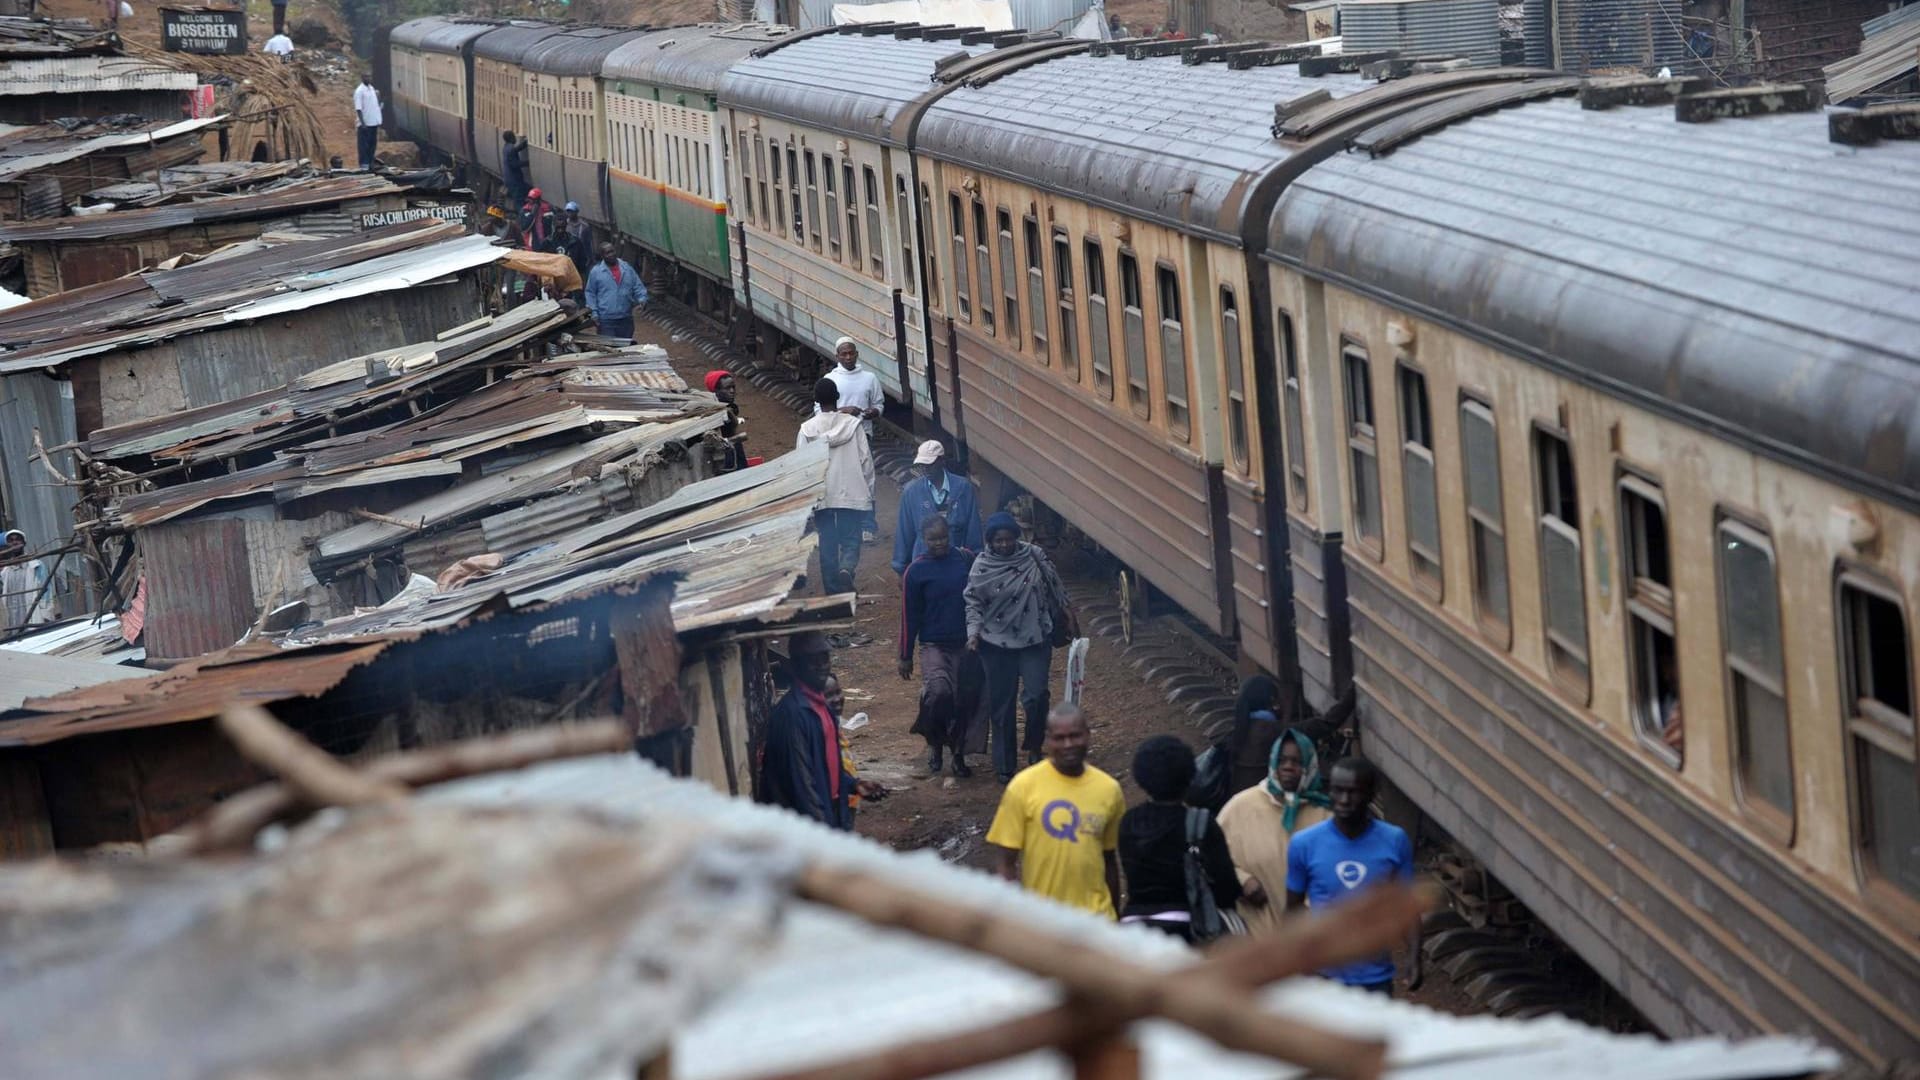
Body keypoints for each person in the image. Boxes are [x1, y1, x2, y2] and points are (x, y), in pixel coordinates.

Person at [1285, 756, 1421, 994]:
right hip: (1324, 979)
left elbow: (1406, 907)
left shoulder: (1394, 841)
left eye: (1353, 792)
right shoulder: (1304, 844)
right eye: (1337, 791)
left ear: (1371, 794)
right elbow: (1293, 910)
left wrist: (1414, 957)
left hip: (1376, 981)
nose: (1344, 800)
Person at [986, 703, 1125, 917]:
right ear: (1048, 740)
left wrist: (1115, 922)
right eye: (1059, 738)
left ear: (1088, 735)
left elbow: (1109, 860)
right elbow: (1006, 862)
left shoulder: (1109, 790)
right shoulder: (1023, 787)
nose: (1068, 744)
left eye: (1075, 736)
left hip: (1096, 922)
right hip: (1044, 923)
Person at [966, 511, 1075, 783]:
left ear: (1016, 537)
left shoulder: (1034, 556)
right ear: (990, 541)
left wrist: (1069, 617)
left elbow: (1056, 589)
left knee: (1037, 696)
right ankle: (1004, 765)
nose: (1003, 545)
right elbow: (973, 604)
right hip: (995, 644)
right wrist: (973, 634)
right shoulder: (982, 566)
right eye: (998, 541)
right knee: (1002, 705)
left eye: (1008, 539)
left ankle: (1035, 745)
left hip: (1035, 638)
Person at [1117, 735, 1242, 941]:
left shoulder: (1128, 823)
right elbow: (1227, 886)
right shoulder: (1201, 822)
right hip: (1185, 933)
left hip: (1133, 933)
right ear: (1188, 776)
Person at [1217, 728, 1332, 937]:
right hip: (1256, 936)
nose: (1288, 767)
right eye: (1282, 760)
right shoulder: (1239, 808)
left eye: (1297, 762)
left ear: (1310, 766)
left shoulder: (1324, 815)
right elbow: (1212, 858)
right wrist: (1243, 881)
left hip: (1313, 940)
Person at [899, 515, 985, 777]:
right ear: (922, 540)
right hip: (933, 644)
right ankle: (935, 742)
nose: (939, 543)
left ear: (950, 535)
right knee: (939, 693)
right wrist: (905, 655)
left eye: (943, 537)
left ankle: (958, 754)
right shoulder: (915, 571)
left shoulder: (965, 559)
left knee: (964, 701)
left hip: (966, 644)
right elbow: (909, 616)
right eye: (933, 539)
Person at [760, 631, 856, 829]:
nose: (821, 666)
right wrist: (825, 833)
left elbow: (826, 766)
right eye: (813, 661)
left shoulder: (823, 708)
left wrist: (853, 785)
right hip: (804, 828)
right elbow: (802, 784)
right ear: (796, 667)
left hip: (827, 815)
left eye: (824, 659)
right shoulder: (792, 715)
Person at [795, 377, 873, 595]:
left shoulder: (807, 430)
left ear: (816, 401)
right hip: (851, 491)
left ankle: (832, 591)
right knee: (851, 538)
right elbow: (866, 460)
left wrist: (807, 498)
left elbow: (802, 467)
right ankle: (846, 568)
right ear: (837, 398)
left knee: (827, 541)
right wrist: (868, 490)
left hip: (823, 495)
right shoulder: (853, 425)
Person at [818, 337, 883, 542]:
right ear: (837, 356)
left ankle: (868, 526)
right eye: (843, 354)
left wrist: (874, 412)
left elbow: (879, 404)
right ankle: (845, 525)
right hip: (838, 438)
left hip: (862, 434)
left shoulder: (870, 378)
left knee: (866, 478)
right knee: (842, 480)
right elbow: (818, 410)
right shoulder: (830, 379)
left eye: (851, 353)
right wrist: (844, 411)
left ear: (857, 354)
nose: (848, 357)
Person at [891, 439, 982, 575]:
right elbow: (905, 532)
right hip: (923, 563)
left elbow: (973, 528)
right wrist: (901, 568)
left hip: (956, 563)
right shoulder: (911, 492)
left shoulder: (963, 488)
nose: (926, 470)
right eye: (923, 465)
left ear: (942, 461)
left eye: (930, 465)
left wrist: (975, 559)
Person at [823, 672, 886, 815]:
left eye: (838, 692)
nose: (837, 699)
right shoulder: (819, 736)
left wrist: (856, 784)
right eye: (828, 695)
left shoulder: (834, 730)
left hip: (846, 804)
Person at [585, 243, 647, 339]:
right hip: (606, 319)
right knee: (609, 347)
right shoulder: (596, 272)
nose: (611, 255)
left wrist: (642, 299)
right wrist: (594, 311)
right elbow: (590, 293)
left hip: (625, 317)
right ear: (602, 256)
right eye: (607, 253)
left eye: (612, 251)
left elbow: (637, 286)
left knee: (625, 347)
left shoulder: (627, 268)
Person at [1, 530, 52, 631]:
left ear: (24, 543)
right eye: (11, 540)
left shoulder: (36, 566)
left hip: (34, 615)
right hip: (13, 619)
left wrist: (46, 614)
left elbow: (47, 592)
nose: (14, 542)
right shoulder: (6, 571)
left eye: (17, 540)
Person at [705, 370, 747, 471]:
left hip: (734, 450)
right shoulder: (714, 413)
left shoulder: (729, 408)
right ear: (716, 391)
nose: (732, 391)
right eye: (727, 388)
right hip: (725, 455)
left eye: (733, 387)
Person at [352, 74, 382, 171]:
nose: (368, 78)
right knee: (364, 146)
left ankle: (370, 163)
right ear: (362, 78)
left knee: (372, 144)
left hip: (373, 122)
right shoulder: (359, 91)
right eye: (366, 77)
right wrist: (363, 123)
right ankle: (364, 165)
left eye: (369, 77)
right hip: (365, 124)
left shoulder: (371, 88)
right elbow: (358, 109)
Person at [560, 200, 594, 276]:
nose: (569, 214)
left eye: (572, 211)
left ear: (576, 212)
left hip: (582, 256)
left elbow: (589, 244)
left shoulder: (584, 226)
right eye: (568, 212)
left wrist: (590, 258)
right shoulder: (564, 225)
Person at [519, 188, 558, 253]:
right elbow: (524, 228)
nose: (530, 201)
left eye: (533, 199)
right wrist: (533, 213)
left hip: (548, 244)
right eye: (529, 198)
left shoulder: (548, 208)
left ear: (539, 199)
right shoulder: (525, 210)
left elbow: (555, 224)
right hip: (533, 246)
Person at [502, 131, 530, 209]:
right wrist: (528, 163)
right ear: (511, 138)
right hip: (514, 180)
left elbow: (516, 150)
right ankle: (522, 217)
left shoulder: (506, 147)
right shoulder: (511, 148)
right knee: (519, 200)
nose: (515, 138)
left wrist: (525, 143)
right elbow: (514, 164)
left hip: (510, 179)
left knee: (521, 195)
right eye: (514, 136)